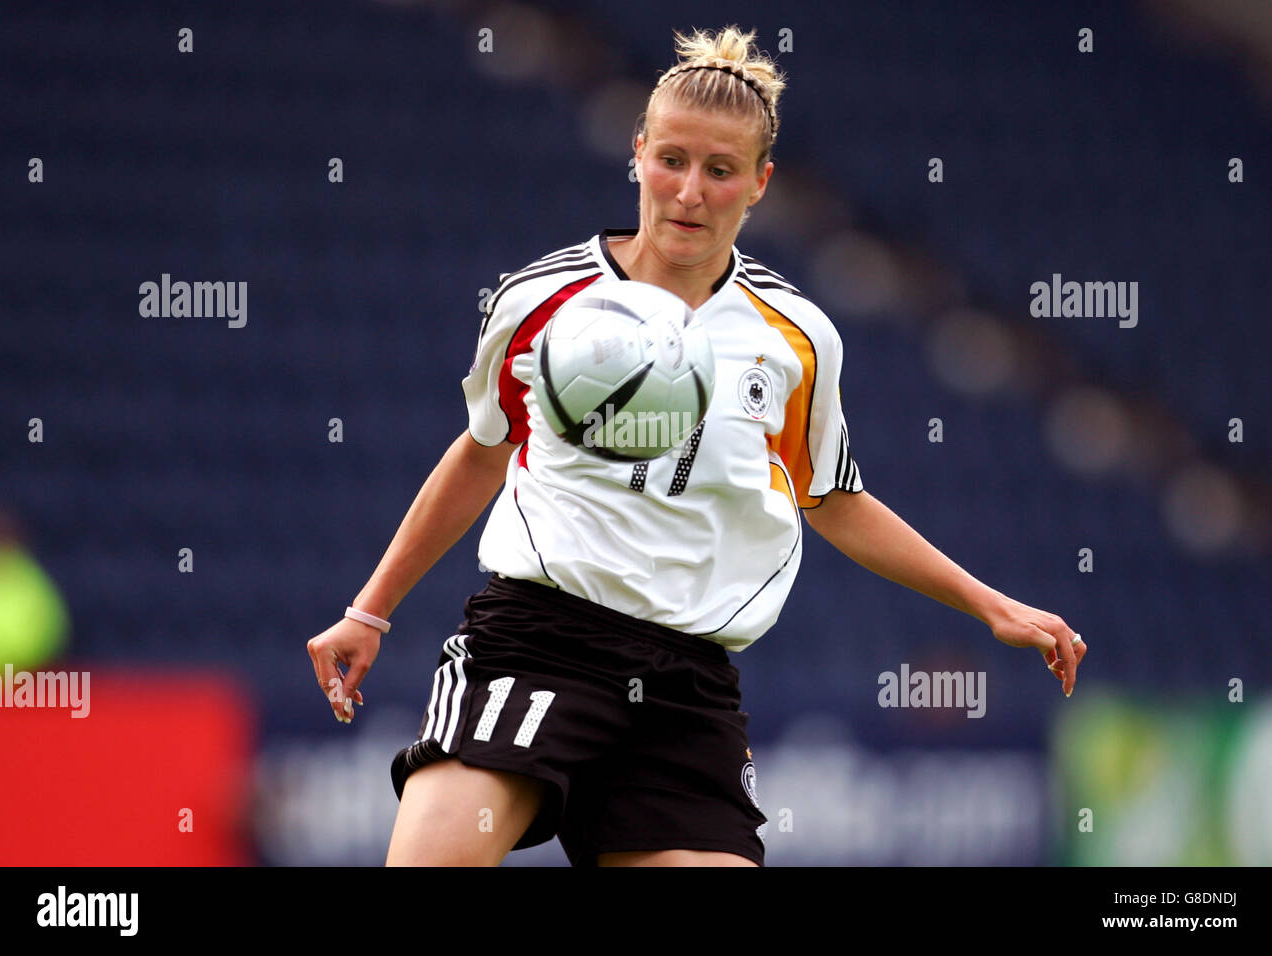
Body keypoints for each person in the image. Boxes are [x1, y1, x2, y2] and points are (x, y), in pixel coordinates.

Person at [306, 24, 1086, 867]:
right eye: (672, 159)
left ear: (760, 184)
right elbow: (483, 450)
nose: (689, 191)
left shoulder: (794, 339)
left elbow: (831, 498)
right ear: (636, 152)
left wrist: (991, 604)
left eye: (720, 171)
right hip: (536, 645)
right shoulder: (541, 302)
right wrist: (369, 610)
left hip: (686, 688)